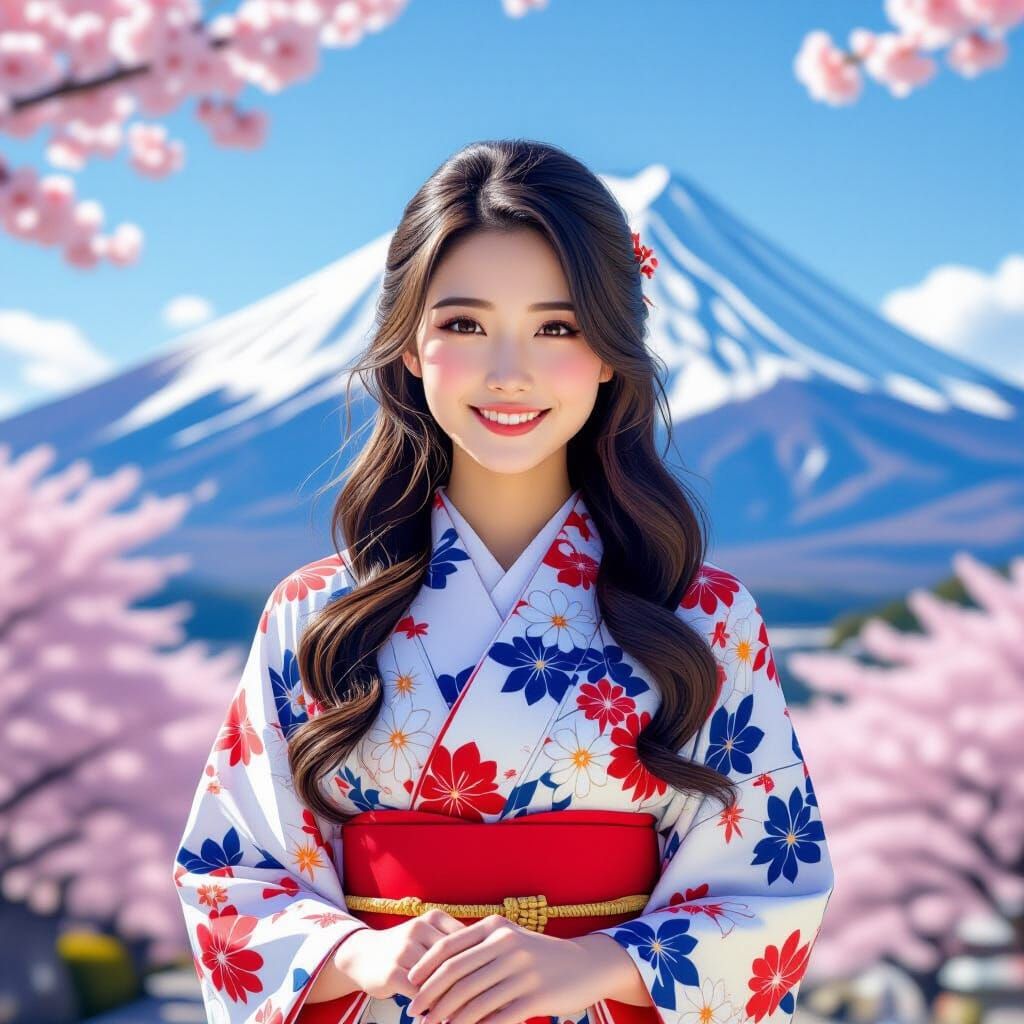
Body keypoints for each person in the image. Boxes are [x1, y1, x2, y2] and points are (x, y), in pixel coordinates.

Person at [172, 138, 835, 1024]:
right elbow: (230, 873)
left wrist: (596, 962)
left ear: (611, 354)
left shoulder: (705, 617)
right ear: (409, 344)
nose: (509, 370)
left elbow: (771, 889)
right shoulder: (314, 614)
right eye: (464, 324)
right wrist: (361, 950)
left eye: (557, 327)